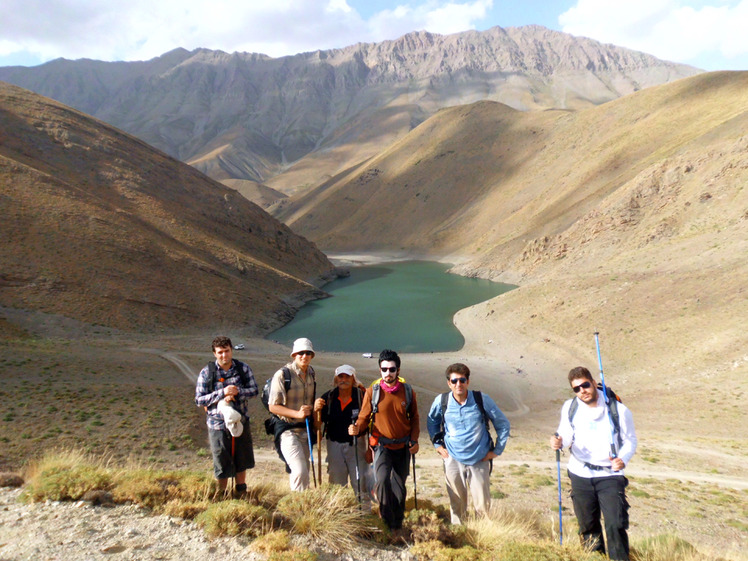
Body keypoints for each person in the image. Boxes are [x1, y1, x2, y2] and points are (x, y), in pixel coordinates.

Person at [550, 366, 637, 561]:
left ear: (593, 382)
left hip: (609, 475)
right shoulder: (570, 407)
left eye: (585, 385)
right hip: (580, 473)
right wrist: (559, 441)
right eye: (577, 388)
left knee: (615, 524)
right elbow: (566, 433)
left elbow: (630, 439)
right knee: (588, 526)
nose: (582, 391)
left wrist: (622, 459)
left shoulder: (618, 410)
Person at [426, 363, 511, 524]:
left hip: (479, 459)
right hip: (452, 458)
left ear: (468, 381)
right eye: (454, 380)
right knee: (457, 504)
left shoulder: (481, 399)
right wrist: (437, 445)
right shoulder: (442, 401)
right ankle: (460, 535)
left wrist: (497, 450)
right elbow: (432, 421)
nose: (459, 384)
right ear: (449, 383)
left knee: (482, 506)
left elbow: (503, 424)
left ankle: (483, 537)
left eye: (462, 380)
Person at [350, 349, 419, 531]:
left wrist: (414, 440)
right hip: (381, 446)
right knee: (381, 481)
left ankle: (397, 524)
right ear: (380, 370)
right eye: (384, 369)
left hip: (403, 446)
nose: (388, 373)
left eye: (392, 369)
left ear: (398, 370)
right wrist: (357, 428)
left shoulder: (408, 391)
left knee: (399, 487)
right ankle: (387, 522)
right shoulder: (372, 392)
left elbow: (415, 418)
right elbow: (364, 417)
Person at [195, 335, 258, 494]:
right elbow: (199, 400)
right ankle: (221, 494)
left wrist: (237, 392)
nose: (224, 355)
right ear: (214, 353)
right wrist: (222, 393)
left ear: (232, 350)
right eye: (220, 352)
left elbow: (254, 390)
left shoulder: (243, 369)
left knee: (241, 459)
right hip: (218, 424)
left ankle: (241, 491)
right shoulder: (206, 373)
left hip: (240, 422)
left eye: (227, 351)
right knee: (221, 461)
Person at [314, 364, 374, 508]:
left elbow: (370, 421)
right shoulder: (328, 397)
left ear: (354, 379)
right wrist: (316, 410)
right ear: (336, 379)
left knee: (360, 483)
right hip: (334, 444)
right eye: (340, 376)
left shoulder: (362, 397)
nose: (344, 380)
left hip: (357, 444)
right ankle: (337, 515)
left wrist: (369, 447)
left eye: (348, 376)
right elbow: (318, 425)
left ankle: (364, 518)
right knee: (336, 483)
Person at [267, 337, 317, 491]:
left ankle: (302, 504)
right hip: (287, 429)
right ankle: (298, 507)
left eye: (308, 353)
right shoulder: (283, 375)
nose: (304, 356)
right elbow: (273, 406)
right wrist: (297, 414)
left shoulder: (311, 373)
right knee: (300, 470)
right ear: (294, 354)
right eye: (301, 352)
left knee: (304, 471)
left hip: (305, 430)